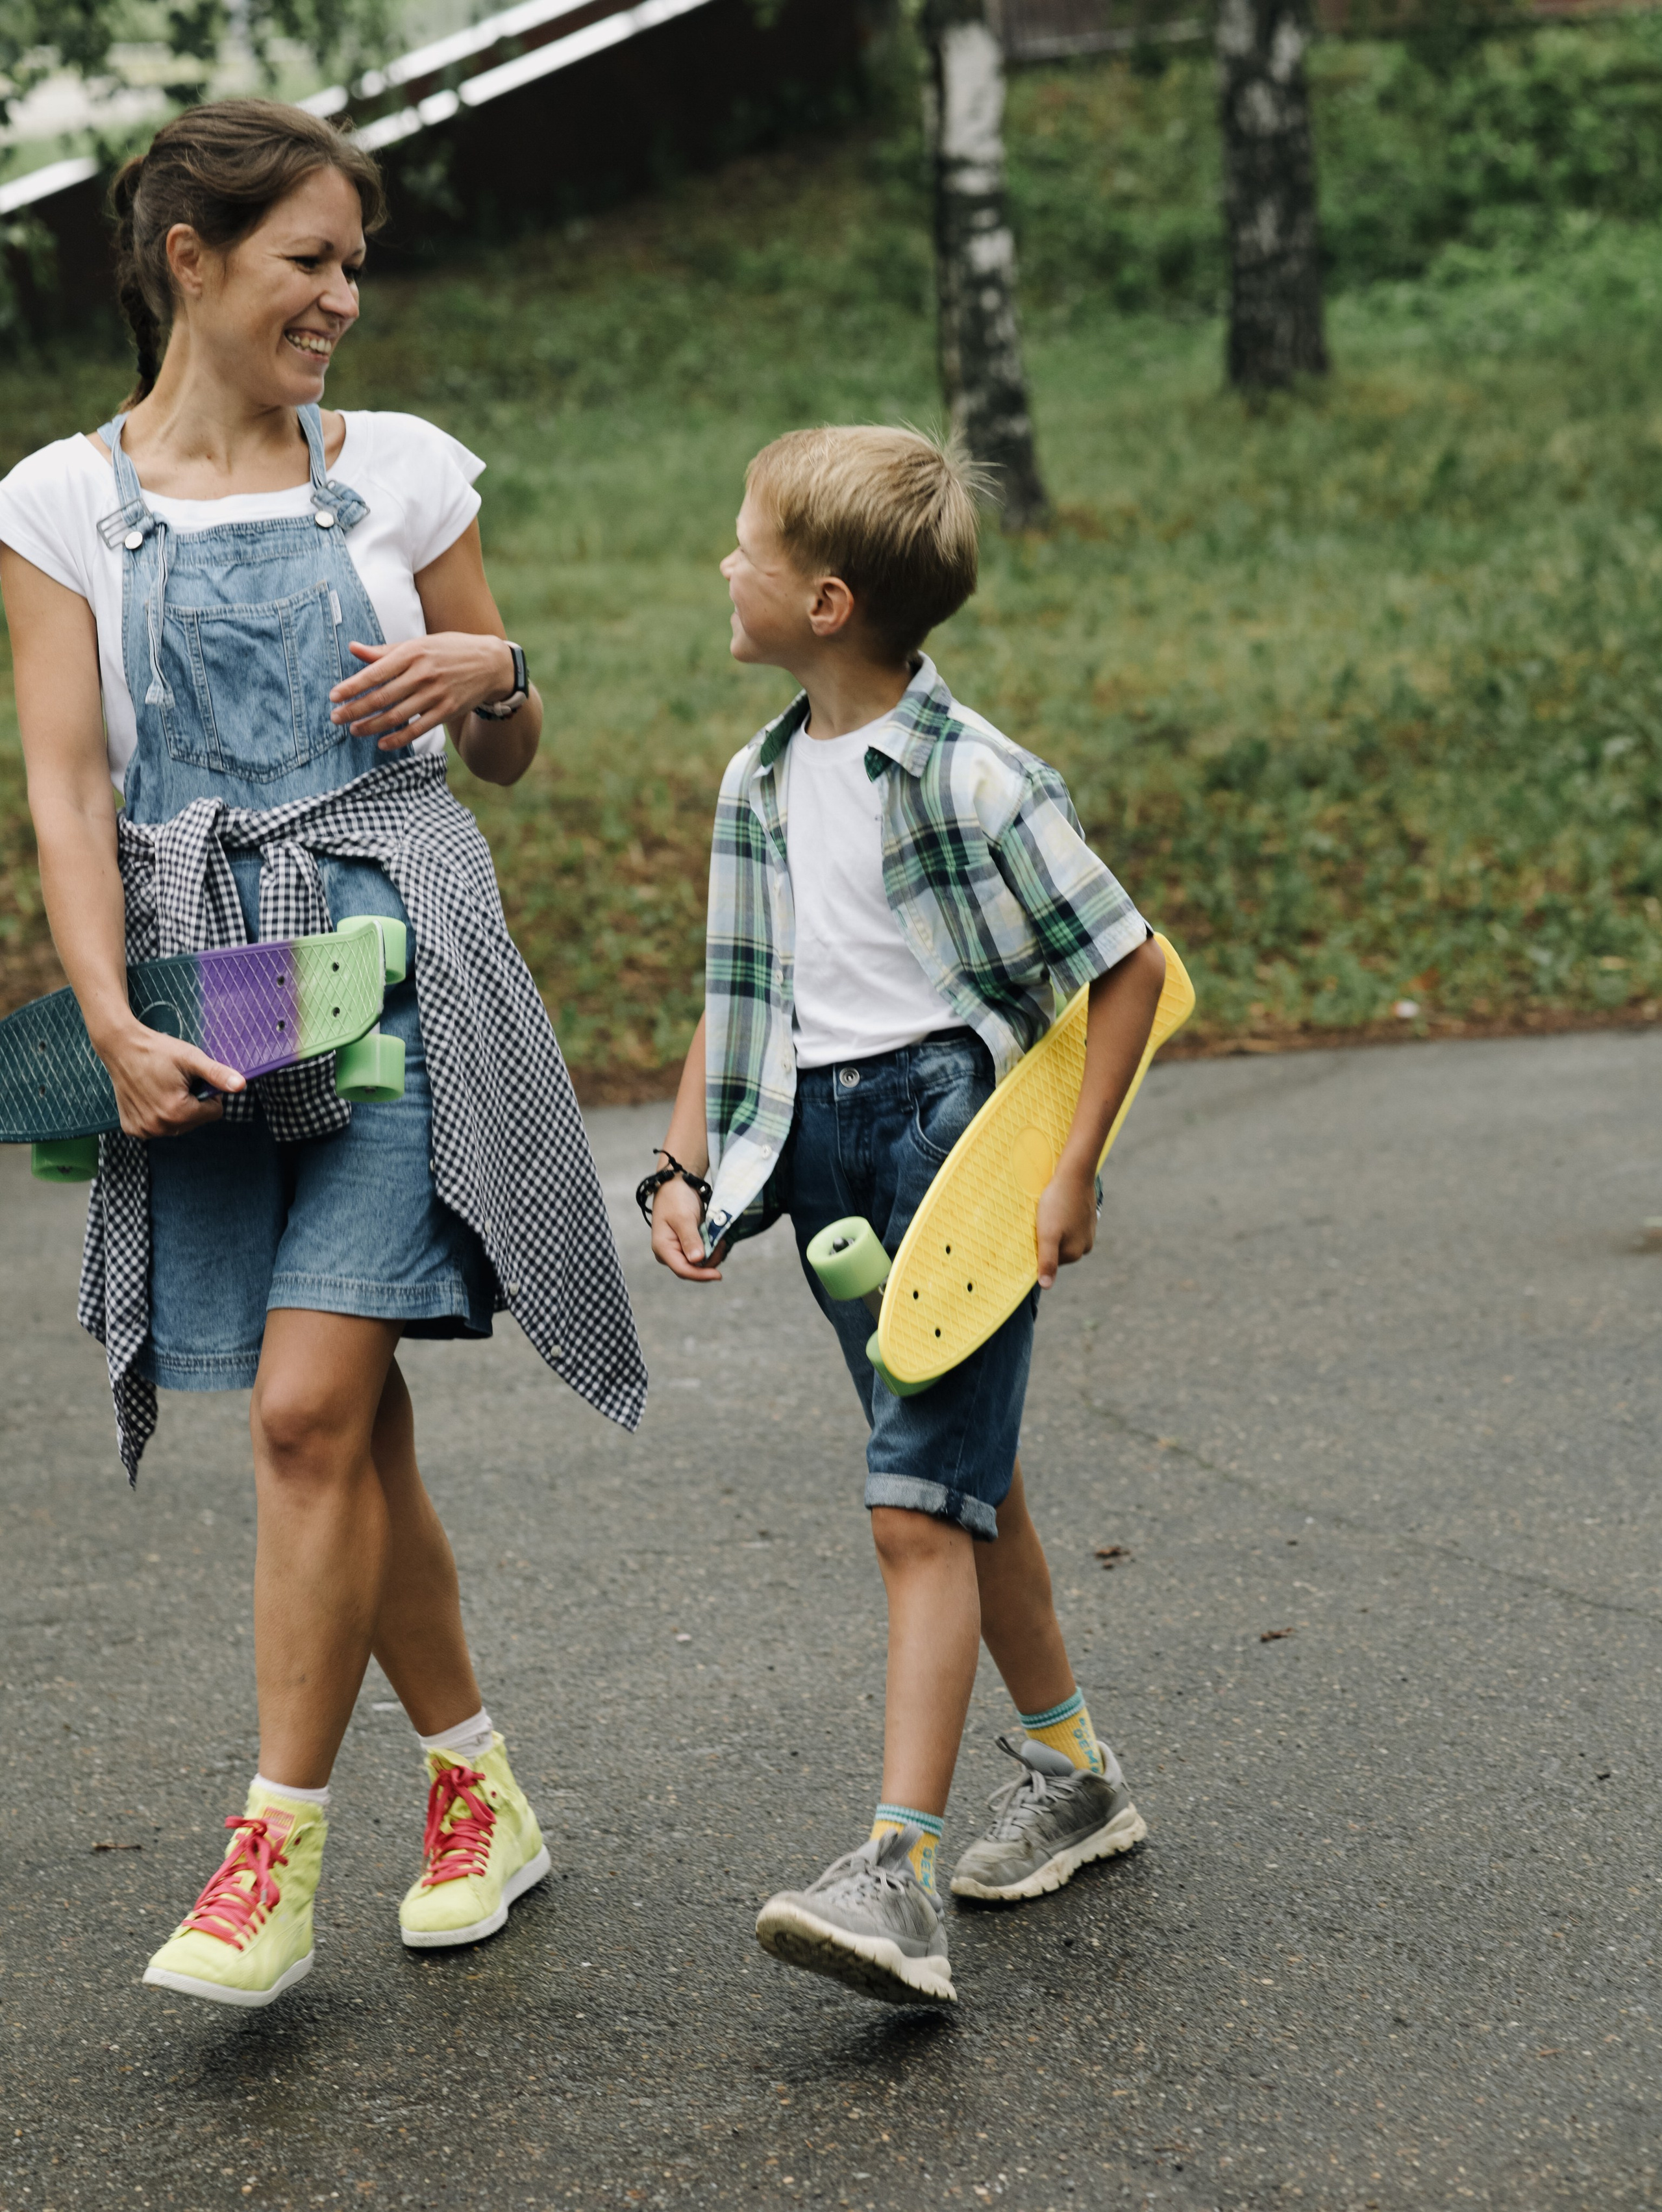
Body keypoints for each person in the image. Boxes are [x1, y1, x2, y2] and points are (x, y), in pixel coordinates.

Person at [0, 99, 645, 2009]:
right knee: (344, 1416)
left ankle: (270, 1850)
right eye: (309, 259)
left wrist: (502, 675)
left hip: (399, 962)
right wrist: (108, 1012)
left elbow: (512, 750)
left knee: (299, 1412)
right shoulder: (57, 503)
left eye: (355, 262)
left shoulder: (412, 477)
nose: (343, 298)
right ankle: (480, 1791)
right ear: (188, 263)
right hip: (216, 979)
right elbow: (67, 781)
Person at [645, 425, 1167, 2006]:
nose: (715, 568)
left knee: (907, 1506)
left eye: (738, 546)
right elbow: (741, 995)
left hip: (952, 1141)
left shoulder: (973, 775)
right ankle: (1074, 1775)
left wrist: (1067, 1165)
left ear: (818, 599)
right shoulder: (758, 777)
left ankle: (892, 1875)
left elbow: (1128, 962)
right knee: (961, 1476)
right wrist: (685, 1166)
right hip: (818, 1157)